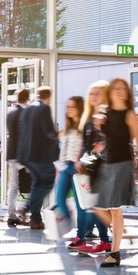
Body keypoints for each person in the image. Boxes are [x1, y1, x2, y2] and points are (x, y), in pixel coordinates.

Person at [91, 78, 138, 268]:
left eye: (123, 88)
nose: (119, 91)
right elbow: (107, 139)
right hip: (108, 163)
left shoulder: (129, 113)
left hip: (123, 163)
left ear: (127, 93)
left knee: (115, 209)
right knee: (103, 207)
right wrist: (98, 125)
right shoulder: (105, 113)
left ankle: (115, 252)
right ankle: (118, 242)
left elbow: (137, 141)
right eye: (115, 88)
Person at [72, 81, 112, 255]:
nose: (93, 97)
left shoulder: (108, 118)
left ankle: (105, 239)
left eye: (97, 93)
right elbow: (84, 144)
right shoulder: (87, 119)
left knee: (98, 206)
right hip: (88, 166)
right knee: (87, 204)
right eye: (91, 94)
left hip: (103, 167)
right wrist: (78, 159)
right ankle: (85, 236)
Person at [18, 86, 58, 232]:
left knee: (38, 184)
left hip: (26, 155)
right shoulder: (44, 108)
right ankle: (27, 207)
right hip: (40, 155)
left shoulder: (27, 109)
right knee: (49, 181)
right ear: (49, 97)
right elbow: (49, 132)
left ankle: (35, 219)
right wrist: (58, 138)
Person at [54, 96, 85, 227]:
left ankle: (84, 230)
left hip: (78, 168)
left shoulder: (84, 127)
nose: (69, 110)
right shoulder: (67, 128)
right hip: (66, 167)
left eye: (72, 107)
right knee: (59, 199)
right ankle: (71, 222)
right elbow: (63, 150)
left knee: (80, 202)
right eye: (67, 107)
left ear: (79, 108)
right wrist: (58, 169)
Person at [5, 88, 30, 226]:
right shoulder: (24, 113)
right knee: (36, 182)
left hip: (11, 154)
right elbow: (24, 136)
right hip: (22, 155)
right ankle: (27, 210)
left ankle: (11, 215)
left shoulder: (10, 112)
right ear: (27, 99)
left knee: (13, 186)